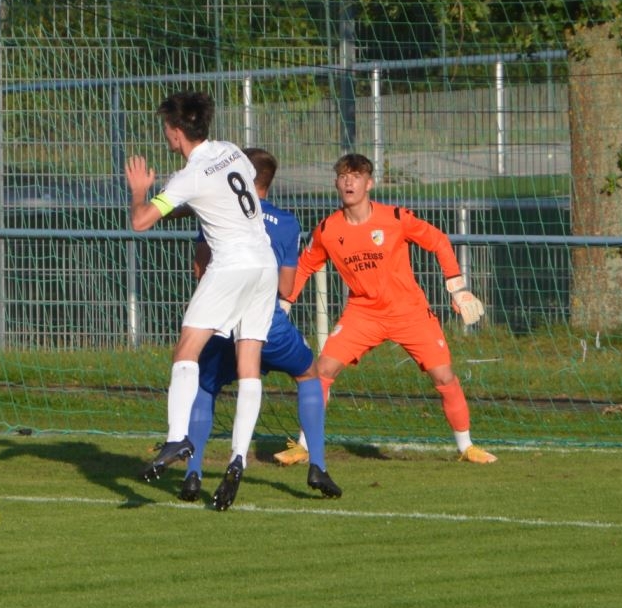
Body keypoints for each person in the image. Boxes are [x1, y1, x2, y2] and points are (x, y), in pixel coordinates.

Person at [282, 153, 496, 464]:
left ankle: (466, 447)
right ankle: (304, 446)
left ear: (369, 183)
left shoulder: (395, 218)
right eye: (343, 176)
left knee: (444, 376)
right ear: (336, 183)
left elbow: (438, 240)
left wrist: (457, 287)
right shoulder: (327, 230)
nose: (349, 182)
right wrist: (285, 302)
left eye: (356, 177)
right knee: (323, 370)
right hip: (363, 313)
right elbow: (304, 266)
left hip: (409, 312)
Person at [126, 92, 279, 511]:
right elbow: (224, 195)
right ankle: (237, 458)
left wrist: (140, 192)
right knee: (249, 364)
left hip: (230, 265)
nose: (165, 135)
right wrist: (180, 202)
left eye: (166, 128)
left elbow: (140, 222)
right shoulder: (231, 151)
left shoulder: (188, 176)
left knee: (186, 350)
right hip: (264, 263)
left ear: (177, 132)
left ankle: (177, 438)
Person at [179, 148, 339, 503]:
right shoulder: (286, 222)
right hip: (268, 322)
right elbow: (287, 286)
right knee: (308, 374)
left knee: (204, 387)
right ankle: (317, 465)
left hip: (225, 320)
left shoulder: (218, 211)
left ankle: (193, 473)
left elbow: (200, 269)